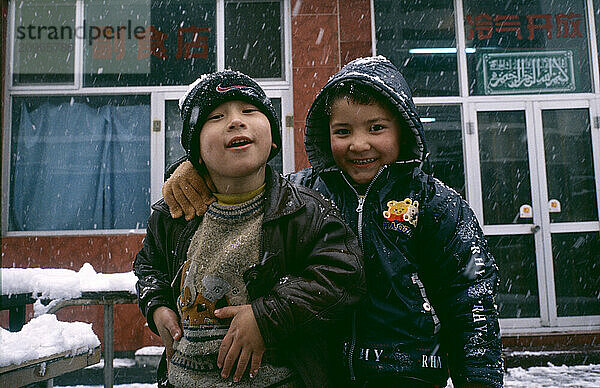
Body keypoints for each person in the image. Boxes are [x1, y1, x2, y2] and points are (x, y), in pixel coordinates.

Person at [162, 57, 504, 388]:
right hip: (319, 371)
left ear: (403, 129)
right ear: (326, 134)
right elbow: (243, 175)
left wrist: (478, 379)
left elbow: (471, 300)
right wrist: (192, 167)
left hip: (407, 372)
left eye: (376, 128)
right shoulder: (299, 194)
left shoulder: (437, 204)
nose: (359, 144)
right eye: (343, 131)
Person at [133, 70, 365, 388]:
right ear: (195, 152)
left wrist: (266, 316)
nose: (235, 121)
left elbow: (343, 276)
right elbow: (149, 266)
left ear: (272, 140)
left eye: (249, 110)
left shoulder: (305, 209)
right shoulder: (175, 213)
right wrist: (157, 306)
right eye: (215, 116)